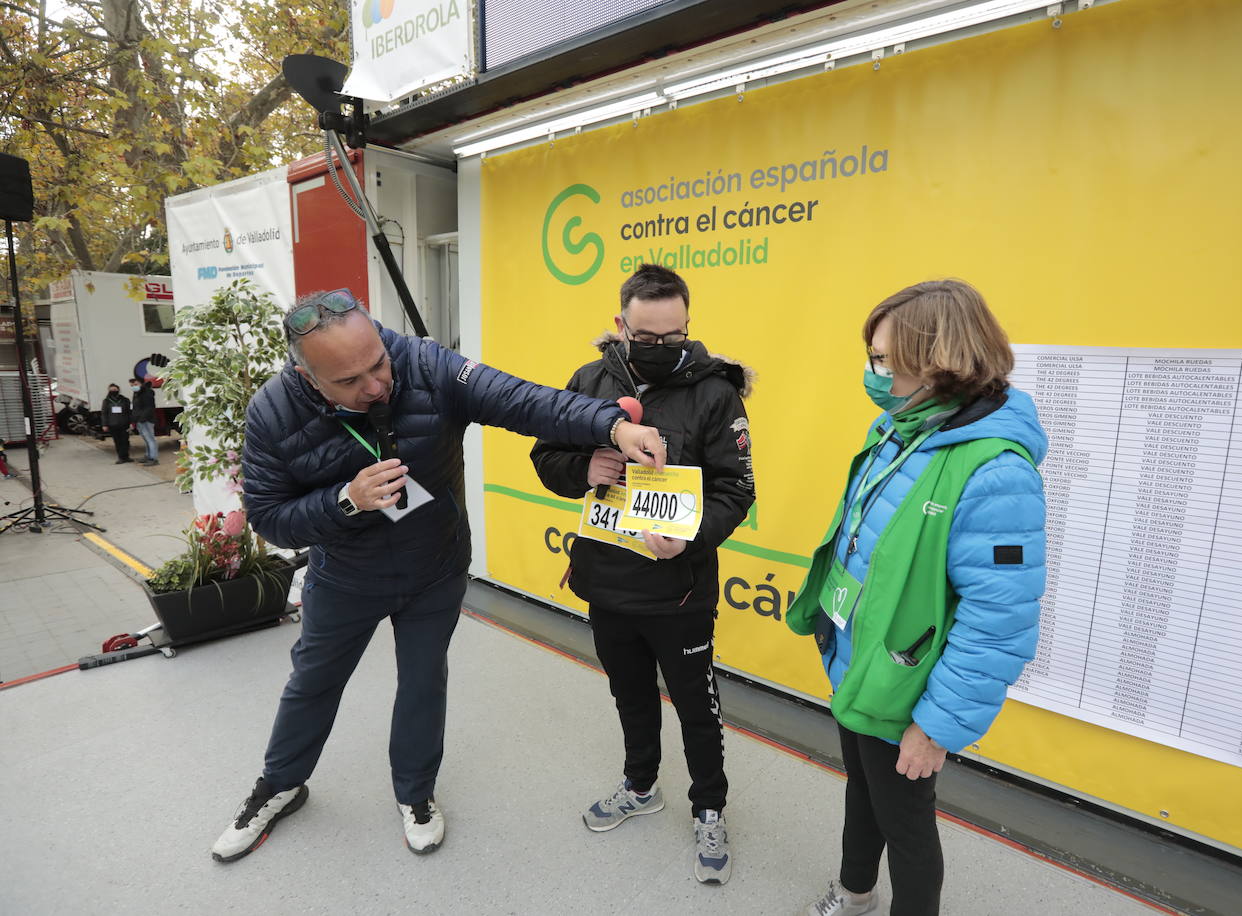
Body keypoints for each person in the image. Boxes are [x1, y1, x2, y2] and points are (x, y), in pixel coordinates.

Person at [211, 288, 665, 864]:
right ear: (307, 375)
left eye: (377, 362)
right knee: (314, 681)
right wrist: (346, 501)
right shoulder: (273, 412)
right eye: (350, 381)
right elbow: (271, 519)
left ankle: (416, 794)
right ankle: (278, 786)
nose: (375, 385)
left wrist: (609, 426)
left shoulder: (424, 364)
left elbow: (521, 400)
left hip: (435, 566)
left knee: (424, 681)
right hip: (345, 575)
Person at [789, 279, 1047, 916]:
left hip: (911, 690)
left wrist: (936, 726)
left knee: (906, 826)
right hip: (861, 662)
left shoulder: (995, 471)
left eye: (884, 359)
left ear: (940, 357)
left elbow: (999, 623)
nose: (873, 373)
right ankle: (854, 894)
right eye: (872, 356)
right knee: (863, 790)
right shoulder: (898, 428)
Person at [530, 264, 755, 885]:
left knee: (695, 706)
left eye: (673, 336)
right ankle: (640, 785)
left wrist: (690, 536)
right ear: (619, 324)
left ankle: (709, 807)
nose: (660, 348)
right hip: (604, 581)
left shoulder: (716, 392)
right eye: (645, 337)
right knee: (629, 694)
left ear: (688, 325)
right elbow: (545, 457)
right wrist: (587, 468)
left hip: (680, 590)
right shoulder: (587, 380)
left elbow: (738, 489)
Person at [101, 382, 133, 464]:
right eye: (111, 390)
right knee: (117, 441)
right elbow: (104, 413)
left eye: (115, 389)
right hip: (113, 424)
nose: (113, 391)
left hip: (124, 423)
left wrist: (131, 422)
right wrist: (104, 424)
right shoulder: (106, 401)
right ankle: (121, 457)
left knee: (125, 440)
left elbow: (129, 412)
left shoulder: (125, 400)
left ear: (118, 390)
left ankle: (126, 456)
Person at [130, 376, 158, 465]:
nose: (133, 386)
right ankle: (148, 455)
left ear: (141, 384)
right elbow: (136, 408)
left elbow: (149, 408)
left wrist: (142, 419)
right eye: (132, 385)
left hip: (146, 420)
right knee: (146, 439)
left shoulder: (147, 393)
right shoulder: (137, 393)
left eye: (135, 384)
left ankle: (153, 458)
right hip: (140, 420)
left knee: (150, 439)